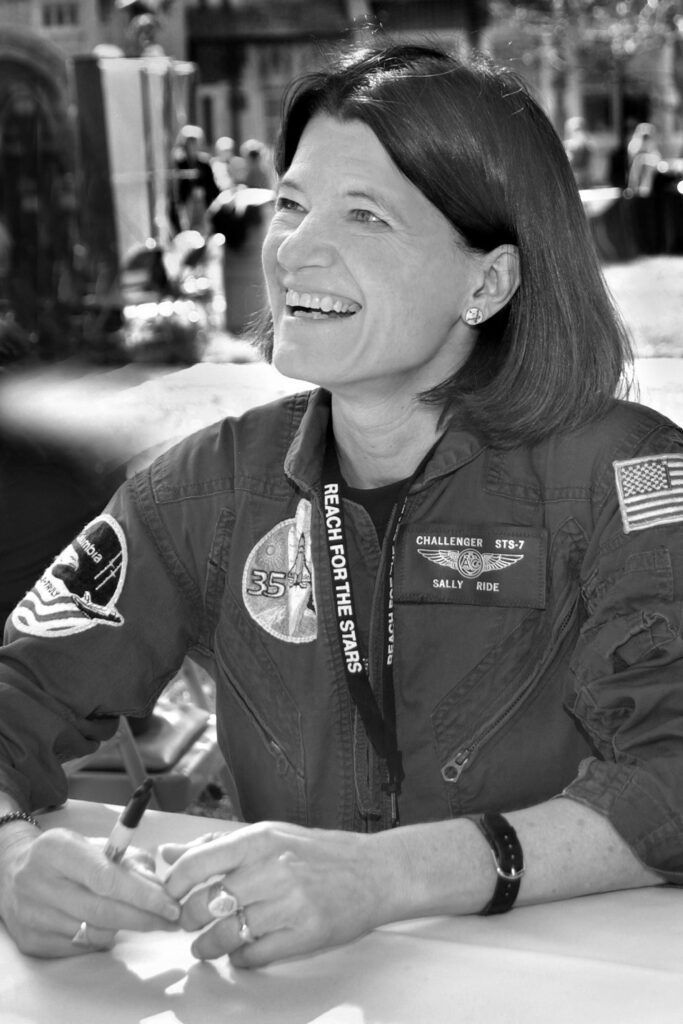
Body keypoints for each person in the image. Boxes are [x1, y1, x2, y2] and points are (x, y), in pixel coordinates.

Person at [1, 40, 682, 968]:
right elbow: (16, 697)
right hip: (300, 991)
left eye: (365, 216)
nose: (293, 249)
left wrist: (383, 877)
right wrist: (13, 857)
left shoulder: (625, 475)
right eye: (291, 203)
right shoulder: (200, 489)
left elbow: (671, 773)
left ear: (487, 283)